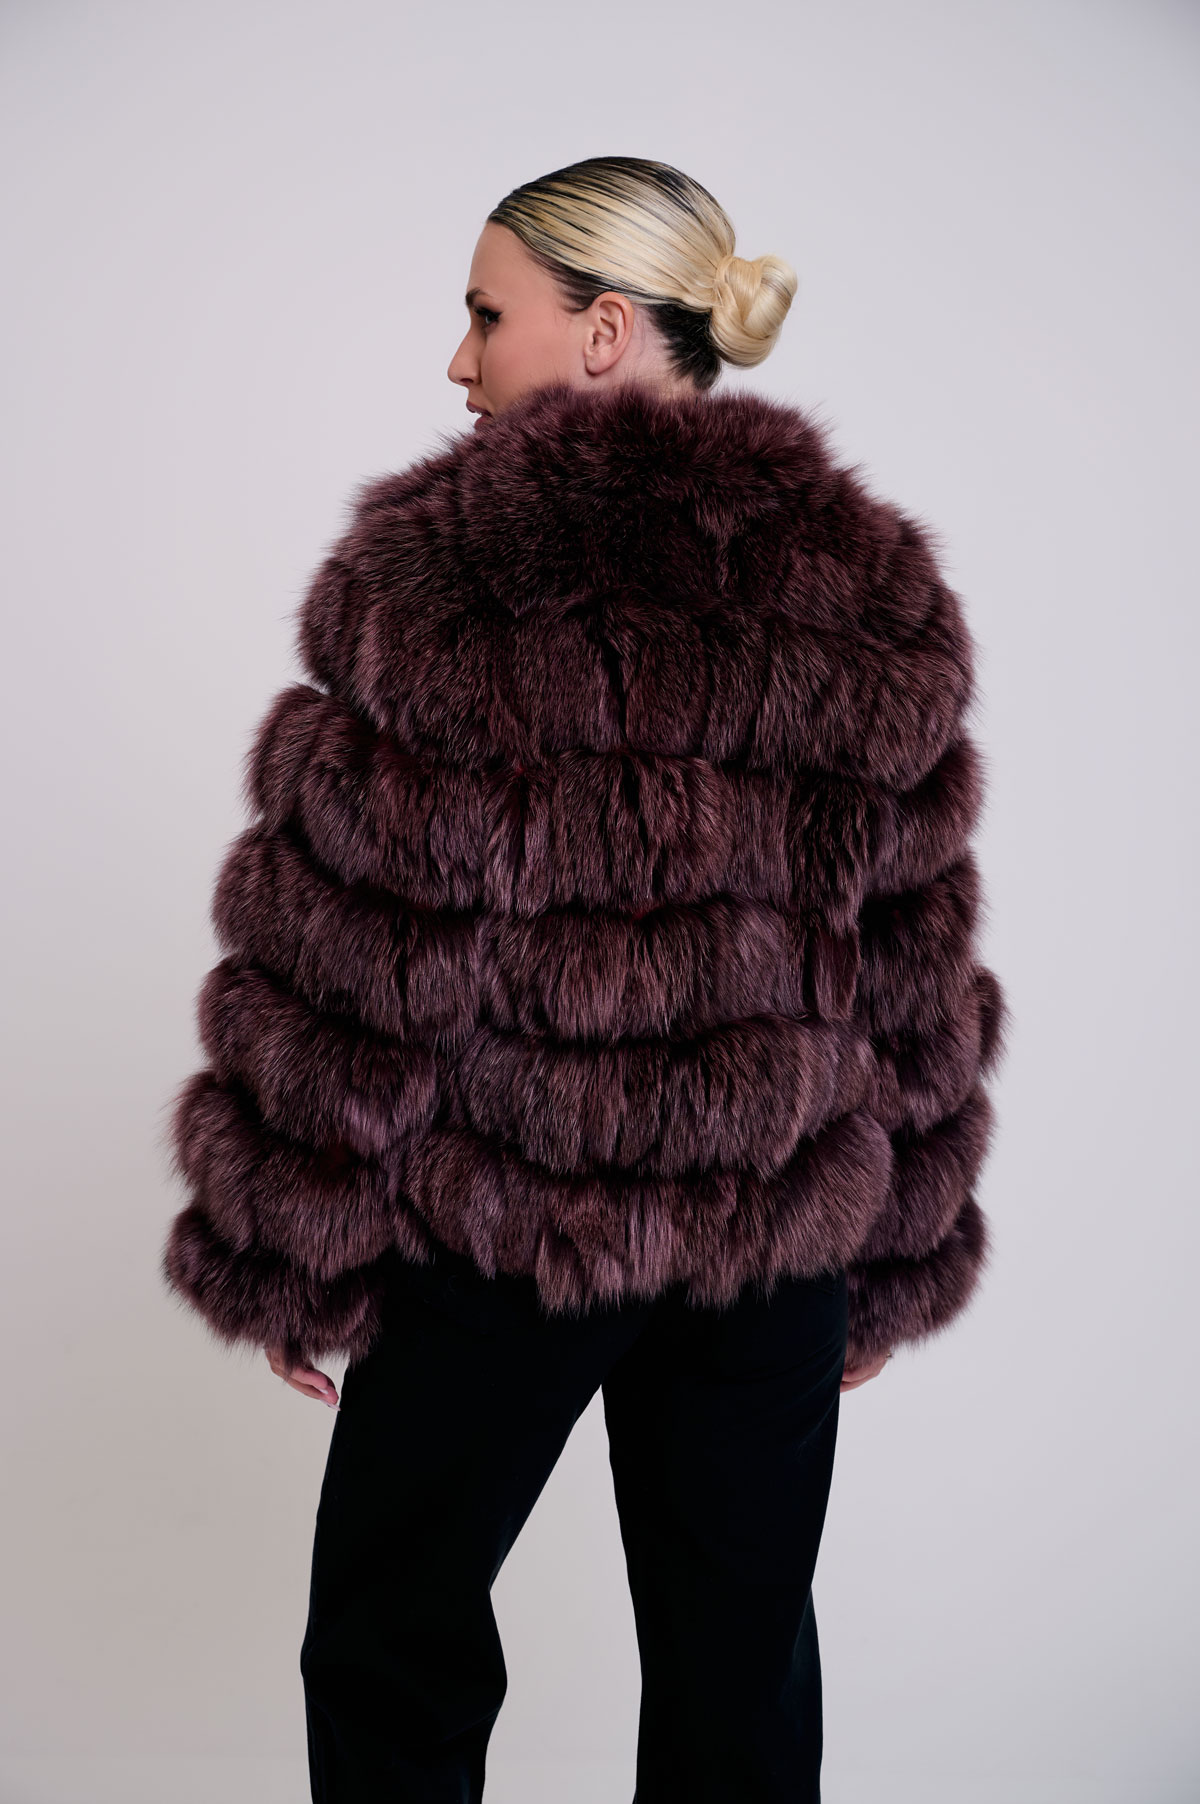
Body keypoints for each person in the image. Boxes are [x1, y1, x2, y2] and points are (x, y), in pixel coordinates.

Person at [160, 156, 1008, 1802]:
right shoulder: (869, 582)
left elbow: (360, 948)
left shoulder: (446, 575)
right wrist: (896, 1241)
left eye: (488, 314)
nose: (459, 359)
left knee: (392, 1638)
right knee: (736, 1665)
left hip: (506, 1222)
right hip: (774, 1232)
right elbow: (913, 946)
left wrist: (291, 1238)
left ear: (607, 330)